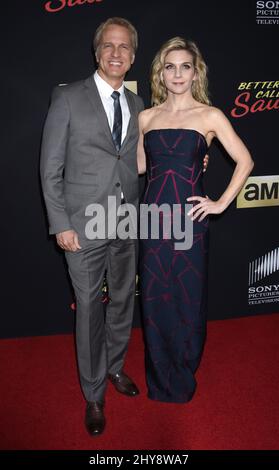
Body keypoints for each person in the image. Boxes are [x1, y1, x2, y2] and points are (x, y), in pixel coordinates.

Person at [40, 17, 145, 436]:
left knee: (122, 300)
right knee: (89, 310)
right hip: (81, 227)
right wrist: (60, 223)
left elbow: (137, 161)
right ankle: (94, 393)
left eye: (124, 47)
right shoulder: (67, 98)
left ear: (133, 57)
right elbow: (50, 169)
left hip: (126, 220)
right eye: (108, 46)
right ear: (97, 51)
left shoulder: (139, 106)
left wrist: (195, 161)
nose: (116, 53)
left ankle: (116, 367)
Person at [137, 37, 254, 403]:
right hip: (153, 220)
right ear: (160, 72)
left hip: (190, 222)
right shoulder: (146, 117)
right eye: (169, 66)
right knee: (155, 301)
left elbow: (246, 161)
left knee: (187, 299)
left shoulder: (210, 115)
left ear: (195, 71)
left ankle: (183, 374)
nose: (177, 73)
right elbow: (138, 166)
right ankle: (159, 379)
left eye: (184, 66)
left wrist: (219, 203)